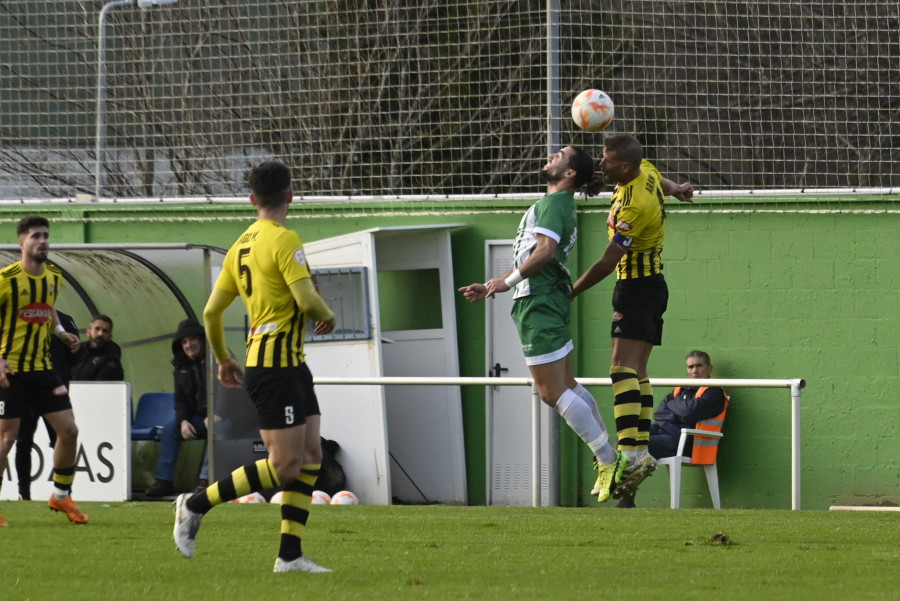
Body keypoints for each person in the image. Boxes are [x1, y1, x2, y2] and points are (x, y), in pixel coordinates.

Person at [173, 162, 337, 574]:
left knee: (312, 455)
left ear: (251, 199)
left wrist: (224, 357)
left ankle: (290, 555)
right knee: (285, 465)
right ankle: (195, 504)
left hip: (288, 365)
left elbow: (211, 312)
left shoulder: (240, 245)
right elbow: (308, 301)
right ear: (291, 196)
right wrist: (327, 313)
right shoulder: (284, 239)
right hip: (274, 366)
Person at [459, 146, 626, 503]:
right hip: (544, 298)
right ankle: (609, 456)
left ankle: (608, 459)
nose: (552, 154)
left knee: (552, 392)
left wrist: (507, 282)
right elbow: (530, 255)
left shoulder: (554, 204)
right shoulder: (557, 204)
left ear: (569, 174)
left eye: (560, 154)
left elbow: (545, 252)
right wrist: (494, 284)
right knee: (566, 384)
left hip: (540, 303)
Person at [570, 134, 694, 501]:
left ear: (625, 166)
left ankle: (629, 451)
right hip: (653, 286)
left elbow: (608, 261)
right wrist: (680, 189)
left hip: (636, 288)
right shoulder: (645, 172)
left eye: (606, 160)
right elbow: (665, 183)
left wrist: (571, 292)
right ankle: (639, 448)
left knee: (620, 368)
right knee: (637, 371)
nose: (601, 163)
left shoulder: (635, 205)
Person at [0, 215, 88, 526]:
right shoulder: (5, 279)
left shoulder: (52, 278)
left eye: (46, 236)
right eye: (36, 236)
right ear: (21, 242)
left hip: (43, 369)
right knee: (7, 439)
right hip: (10, 370)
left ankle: (61, 496)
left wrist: (61, 331)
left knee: (70, 431)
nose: (42, 241)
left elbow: (47, 307)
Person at [616, 350, 727, 508]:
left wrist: (677, 409)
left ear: (709, 368)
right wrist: (681, 413)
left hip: (688, 443)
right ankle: (624, 494)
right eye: (690, 367)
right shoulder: (682, 389)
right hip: (665, 434)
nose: (694, 370)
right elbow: (660, 412)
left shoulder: (714, 392)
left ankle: (626, 498)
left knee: (643, 445)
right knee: (627, 439)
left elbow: (689, 411)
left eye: (698, 366)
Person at [14, 310, 77, 500]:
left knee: (63, 437)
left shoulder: (66, 320)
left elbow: (74, 356)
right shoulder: (20, 315)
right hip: (26, 388)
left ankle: (64, 493)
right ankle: (23, 494)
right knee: (20, 441)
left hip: (52, 388)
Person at [146, 318, 212, 498]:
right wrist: (183, 421)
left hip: (226, 417)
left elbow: (232, 389)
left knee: (218, 428)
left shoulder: (217, 357)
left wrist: (217, 413)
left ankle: (205, 480)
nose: (188, 345)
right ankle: (164, 481)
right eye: (184, 342)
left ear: (201, 339)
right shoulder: (181, 368)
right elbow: (181, 400)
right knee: (170, 429)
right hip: (199, 419)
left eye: (192, 339)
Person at [70, 314, 124, 381]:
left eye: (105, 331)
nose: (100, 334)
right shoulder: (77, 350)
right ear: (88, 332)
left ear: (110, 336)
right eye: (97, 329)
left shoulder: (111, 356)